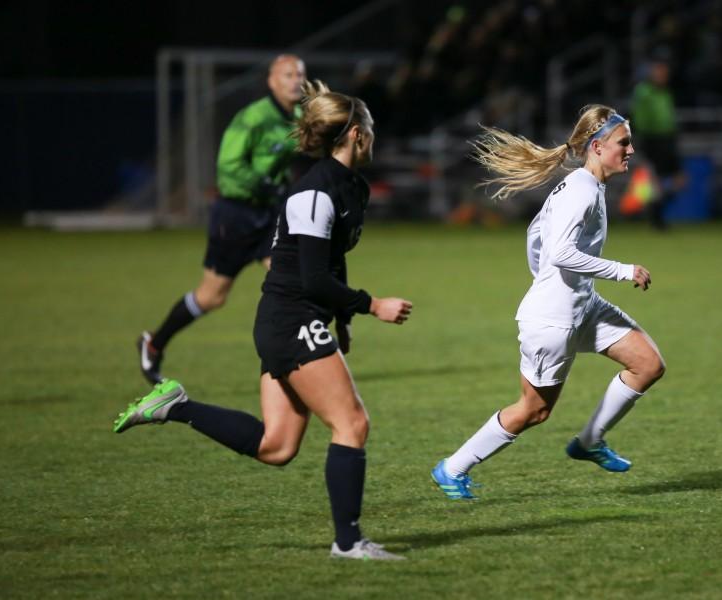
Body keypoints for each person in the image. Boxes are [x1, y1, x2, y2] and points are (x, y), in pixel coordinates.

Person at [114, 80, 414, 560]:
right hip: (290, 317)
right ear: (356, 133)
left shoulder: (352, 188)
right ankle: (348, 542)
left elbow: (331, 263)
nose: (374, 137)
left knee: (276, 447)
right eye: (371, 130)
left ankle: (175, 405)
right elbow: (314, 278)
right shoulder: (312, 194)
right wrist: (371, 305)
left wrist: (344, 319)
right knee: (352, 423)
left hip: (297, 317)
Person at [431, 105, 666, 500]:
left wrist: (547, 279)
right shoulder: (580, 190)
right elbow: (559, 252)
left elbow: (535, 234)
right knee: (534, 411)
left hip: (582, 304)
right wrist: (622, 270)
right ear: (597, 146)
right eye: (623, 143)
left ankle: (589, 441)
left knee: (647, 364)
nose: (630, 150)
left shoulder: (584, 185)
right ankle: (452, 468)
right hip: (554, 320)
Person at [137, 54, 307, 384]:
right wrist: (266, 183)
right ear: (272, 81)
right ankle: (154, 343)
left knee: (289, 278)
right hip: (236, 214)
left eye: (300, 74)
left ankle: (296, 358)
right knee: (212, 297)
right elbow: (228, 168)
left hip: (269, 214)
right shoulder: (253, 118)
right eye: (288, 74)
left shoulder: (298, 117)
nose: (296, 80)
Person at [629, 50, 685, 229]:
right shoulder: (644, 91)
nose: (663, 73)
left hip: (668, 139)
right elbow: (639, 118)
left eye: (664, 70)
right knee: (653, 183)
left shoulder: (666, 92)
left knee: (679, 180)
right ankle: (654, 218)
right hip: (650, 140)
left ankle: (654, 212)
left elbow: (669, 117)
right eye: (659, 69)